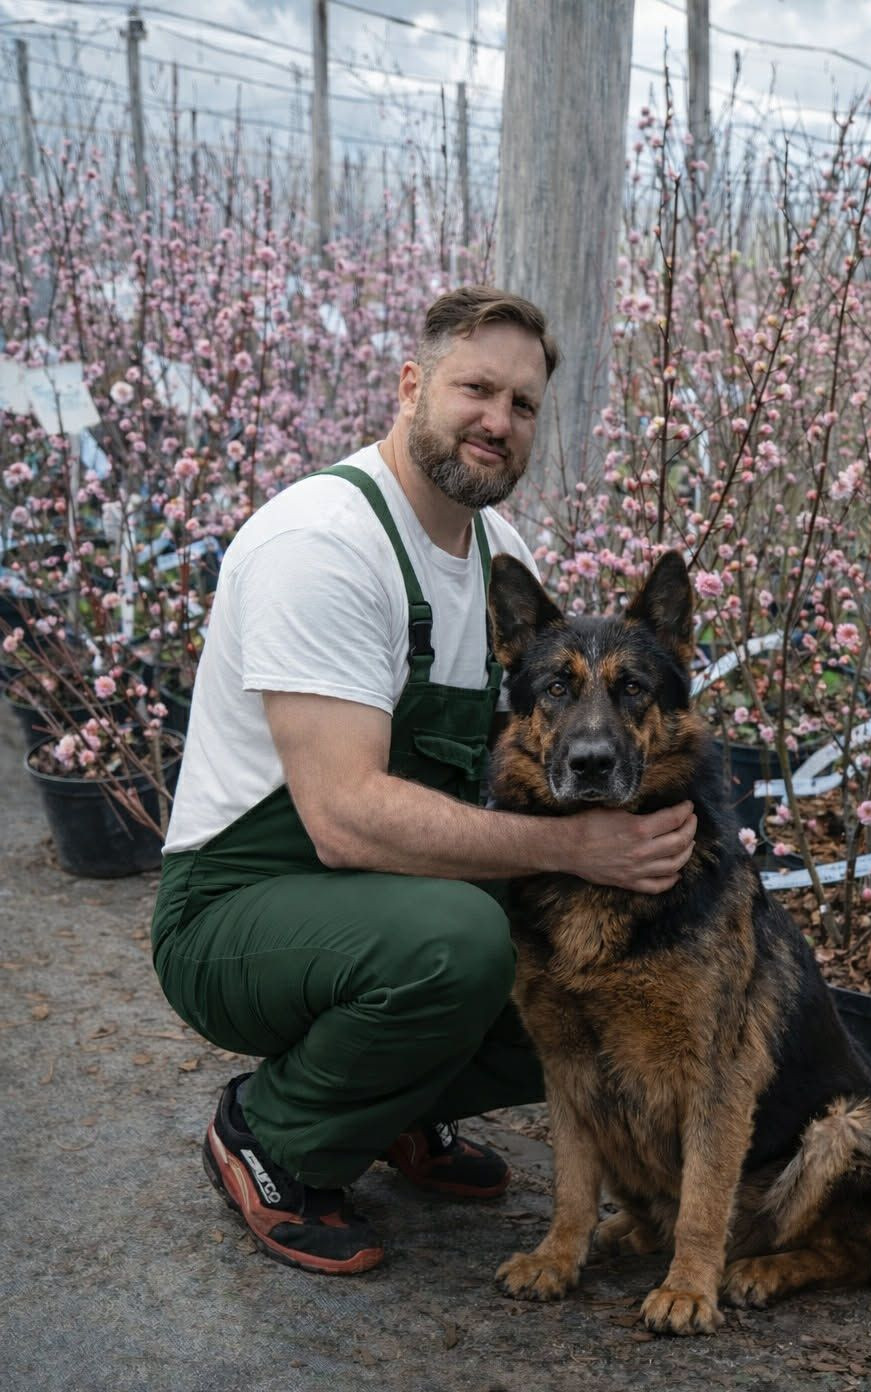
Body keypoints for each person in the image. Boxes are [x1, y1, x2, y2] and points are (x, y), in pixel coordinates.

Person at [150, 285, 698, 1276]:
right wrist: (575, 847)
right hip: (238, 908)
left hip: (376, 898)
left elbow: (536, 752)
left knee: (594, 969)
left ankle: (391, 1112)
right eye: (476, 388)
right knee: (461, 945)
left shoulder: (503, 558)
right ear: (413, 385)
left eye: (523, 405)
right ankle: (270, 1135)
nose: (498, 421)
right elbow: (346, 821)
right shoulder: (323, 542)